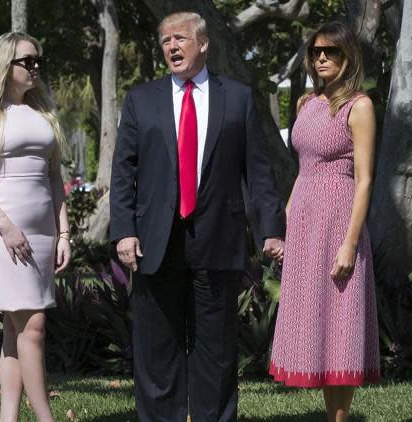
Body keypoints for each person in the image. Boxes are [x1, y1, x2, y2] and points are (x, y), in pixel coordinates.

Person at [110, 12, 285, 421]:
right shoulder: (142, 100)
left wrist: (271, 230)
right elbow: (124, 174)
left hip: (217, 240)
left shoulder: (238, 98)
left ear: (203, 44)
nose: (171, 46)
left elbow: (259, 171)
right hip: (156, 243)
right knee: (157, 353)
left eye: (180, 38)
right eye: (165, 40)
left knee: (217, 354)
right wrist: (123, 232)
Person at [268, 22, 380, 422]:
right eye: (316, 52)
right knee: (314, 317)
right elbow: (302, 170)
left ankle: (340, 418)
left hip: (339, 220)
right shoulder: (304, 104)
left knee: (341, 320)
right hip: (304, 220)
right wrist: (285, 225)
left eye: (331, 52)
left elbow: (365, 179)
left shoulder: (360, 106)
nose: (321, 58)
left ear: (348, 56)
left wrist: (350, 242)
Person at [0, 32, 71, 422]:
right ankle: (45, 417)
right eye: (27, 61)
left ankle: (8, 418)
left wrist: (64, 233)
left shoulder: (42, 112)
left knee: (14, 333)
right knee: (34, 327)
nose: (35, 66)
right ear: (5, 65)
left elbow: (55, 178)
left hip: (42, 234)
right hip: (5, 232)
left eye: (38, 59)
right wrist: (5, 227)